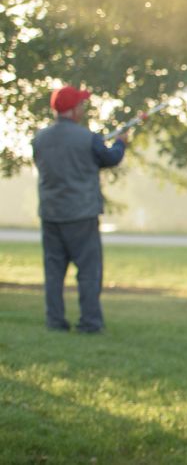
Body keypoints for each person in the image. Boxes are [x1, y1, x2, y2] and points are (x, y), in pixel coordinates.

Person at [30, 85, 129, 334]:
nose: (83, 109)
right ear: (74, 110)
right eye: (81, 105)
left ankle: (55, 322)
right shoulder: (88, 138)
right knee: (88, 272)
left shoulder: (39, 139)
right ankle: (90, 323)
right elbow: (109, 158)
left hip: (51, 214)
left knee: (53, 273)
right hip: (81, 215)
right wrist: (120, 143)